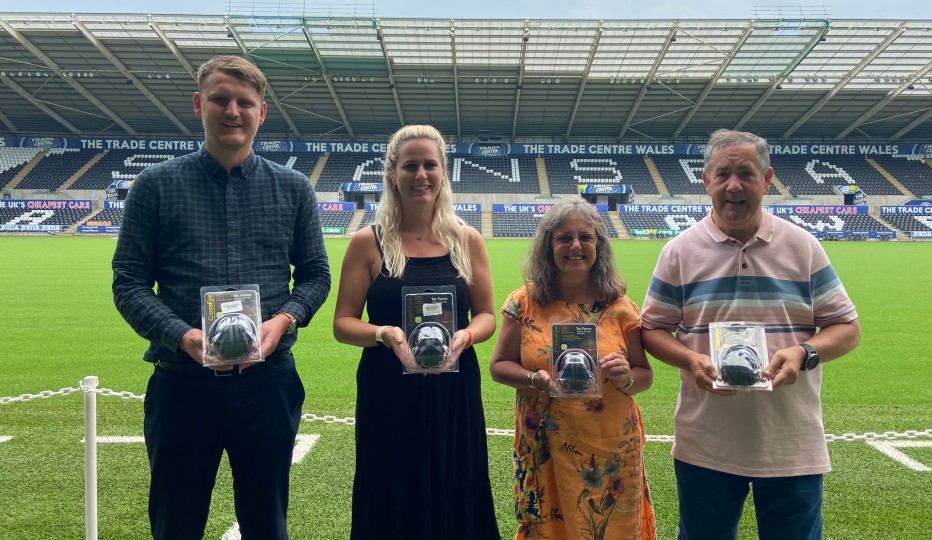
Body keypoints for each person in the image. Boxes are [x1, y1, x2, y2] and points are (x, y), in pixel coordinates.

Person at [112, 55, 331, 540]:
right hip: (183, 384)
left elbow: (316, 275)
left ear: (261, 112)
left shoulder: (293, 189)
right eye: (220, 99)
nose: (232, 111)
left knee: (266, 523)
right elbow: (127, 281)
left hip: (268, 385)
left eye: (244, 102)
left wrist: (284, 321)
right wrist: (184, 336)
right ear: (198, 104)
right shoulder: (155, 186)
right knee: (176, 522)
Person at [640, 129, 861, 540]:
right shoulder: (679, 251)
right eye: (722, 174)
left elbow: (847, 328)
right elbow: (652, 329)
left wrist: (804, 353)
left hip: (790, 443)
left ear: (768, 179)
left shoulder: (803, 247)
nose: (734, 185)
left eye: (746, 173)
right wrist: (690, 359)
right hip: (706, 442)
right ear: (706, 182)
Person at [332, 124, 499, 539]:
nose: (420, 175)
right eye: (410, 166)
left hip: (452, 385)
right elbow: (343, 323)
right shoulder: (367, 243)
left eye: (430, 165)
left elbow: (487, 315)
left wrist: (467, 336)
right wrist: (384, 334)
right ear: (392, 174)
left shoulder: (467, 239)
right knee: (390, 479)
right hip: (388, 388)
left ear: (444, 172)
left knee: (456, 476)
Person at [490, 199, 658, 540]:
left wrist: (626, 377)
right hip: (545, 445)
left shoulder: (620, 306)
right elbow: (498, 366)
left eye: (586, 237)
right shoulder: (523, 302)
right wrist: (533, 379)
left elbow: (644, 375)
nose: (575, 246)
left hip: (609, 448)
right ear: (548, 245)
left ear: (599, 244)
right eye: (564, 238)